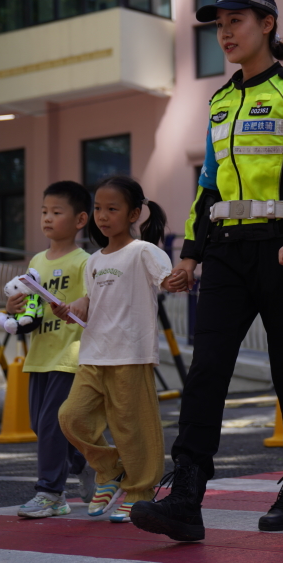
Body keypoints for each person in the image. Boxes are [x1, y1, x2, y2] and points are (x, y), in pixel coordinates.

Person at [130, 0, 283, 542]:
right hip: (225, 251)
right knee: (207, 369)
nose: (224, 32)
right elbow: (208, 183)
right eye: (219, 24)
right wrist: (191, 254)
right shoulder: (221, 101)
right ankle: (186, 494)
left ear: (267, 24)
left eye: (235, 21)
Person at [56, 175, 183, 524]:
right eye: (98, 208)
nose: (102, 215)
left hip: (131, 353)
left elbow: (167, 281)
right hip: (94, 354)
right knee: (71, 418)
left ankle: (141, 491)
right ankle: (111, 471)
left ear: (134, 214)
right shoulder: (94, 261)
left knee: (133, 427)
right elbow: (94, 303)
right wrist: (74, 309)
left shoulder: (144, 251)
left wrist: (178, 279)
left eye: (112, 208)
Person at [9, 181, 95, 519]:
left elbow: (90, 301)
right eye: (44, 211)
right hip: (39, 355)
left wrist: (76, 305)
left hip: (69, 354)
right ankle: (88, 462)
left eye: (57, 212)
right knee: (39, 424)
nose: (47, 218)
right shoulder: (36, 261)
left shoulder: (84, 261)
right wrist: (14, 307)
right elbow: (31, 311)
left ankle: (50, 492)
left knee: (50, 425)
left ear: (79, 220)